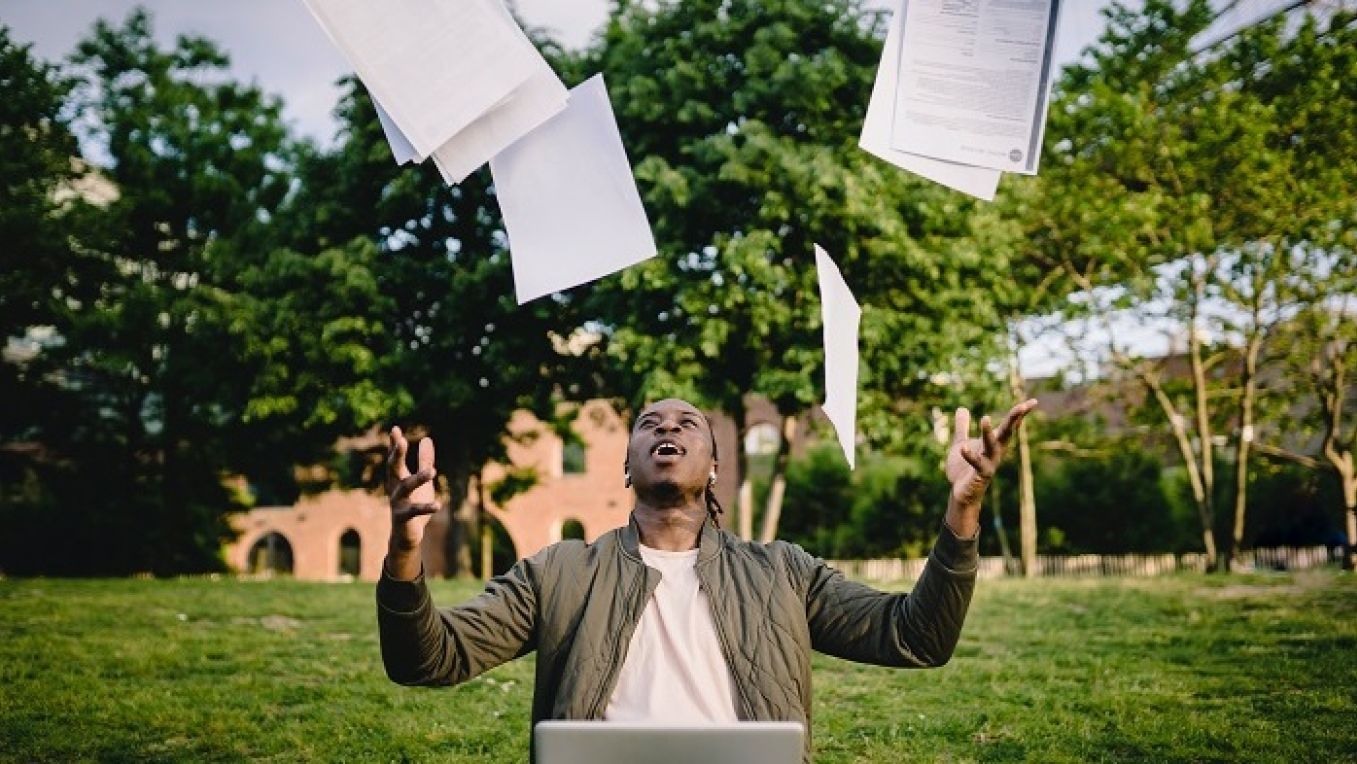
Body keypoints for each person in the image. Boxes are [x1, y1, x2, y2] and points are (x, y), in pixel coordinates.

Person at [377, 396, 1037, 762]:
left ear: (715, 469)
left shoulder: (782, 571)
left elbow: (917, 638)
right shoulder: (561, 571)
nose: (667, 426)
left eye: (687, 423)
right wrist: (407, 546)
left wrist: (962, 510)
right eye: (649, 424)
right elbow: (427, 659)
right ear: (627, 470)